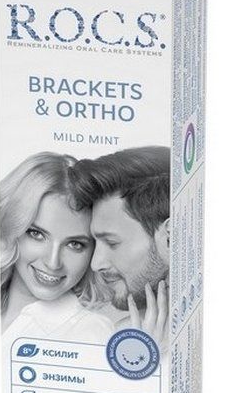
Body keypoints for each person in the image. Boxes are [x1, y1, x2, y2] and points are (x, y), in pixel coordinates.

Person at [0, 153, 113, 341]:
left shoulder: (91, 333)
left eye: (75, 244)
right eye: (37, 234)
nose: (53, 263)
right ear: (11, 227)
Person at [71, 146, 170, 343]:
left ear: (170, 238)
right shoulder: (114, 333)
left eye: (112, 243)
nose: (95, 264)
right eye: (95, 242)